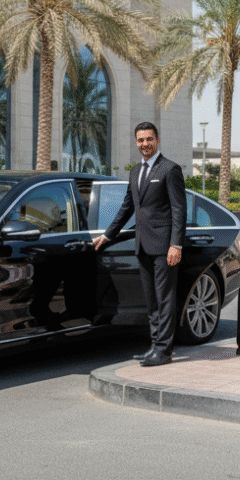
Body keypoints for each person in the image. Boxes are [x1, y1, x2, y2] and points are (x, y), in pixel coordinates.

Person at [93, 122, 186, 367]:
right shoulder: (135, 172)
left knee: (165, 299)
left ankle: (164, 351)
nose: (144, 144)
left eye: (149, 139)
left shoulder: (170, 169)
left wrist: (176, 244)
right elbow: (127, 207)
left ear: (158, 140)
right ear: (136, 142)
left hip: (164, 247)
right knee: (151, 299)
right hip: (142, 245)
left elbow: (179, 210)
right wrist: (107, 235)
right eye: (140, 140)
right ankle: (155, 346)